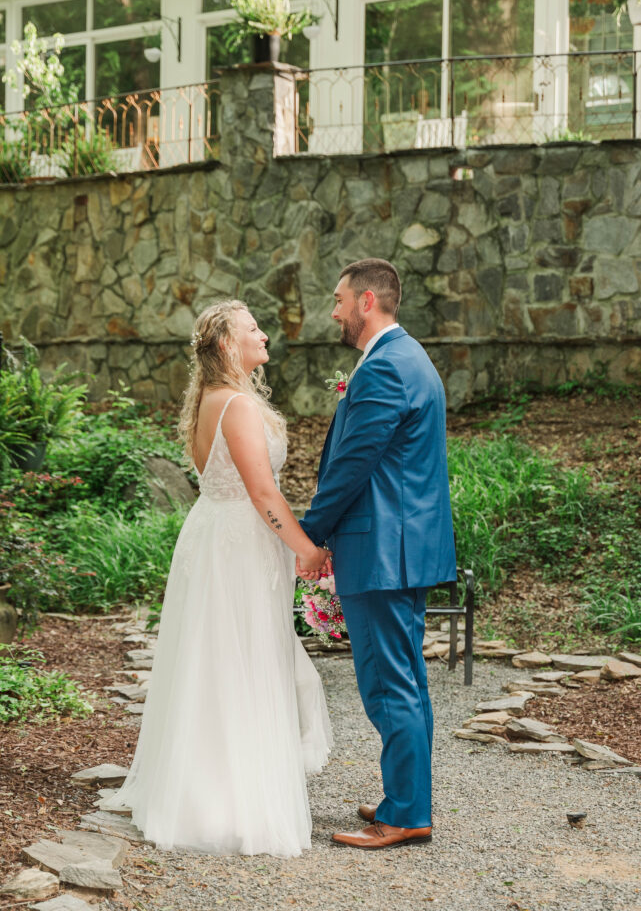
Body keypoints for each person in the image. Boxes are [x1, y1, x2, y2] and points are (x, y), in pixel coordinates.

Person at [107, 300, 332, 857]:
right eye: (252, 328)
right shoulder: (234, 404)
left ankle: (209, 781)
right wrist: (307, 551)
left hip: (219, 534)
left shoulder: (215, 399)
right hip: (239, 541)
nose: (263, 334)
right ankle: (230, 797)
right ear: (229, 346)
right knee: (240, 654)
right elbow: (261, 491)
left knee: (219, 655)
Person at [298, 258, 456, 850]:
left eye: (339, 299)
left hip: (383, 550)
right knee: (405, 680)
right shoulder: (406, 357)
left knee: (390, 685)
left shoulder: (386, 366)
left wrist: (312, 535)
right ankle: (404, 799)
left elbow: (350, 466)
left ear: (367, 301)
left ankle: (408, 813)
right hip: (401, 547)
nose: (333, 310)